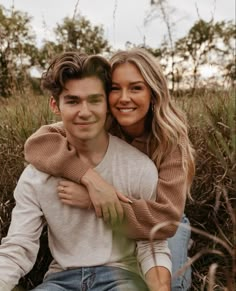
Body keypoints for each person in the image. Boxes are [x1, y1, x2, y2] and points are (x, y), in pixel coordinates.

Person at [24, 48, 195, 290]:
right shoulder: (100, 121)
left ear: (153, 93)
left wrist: (94, 201)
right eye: (116, 88)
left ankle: (183, 256)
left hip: (163, 219)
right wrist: (92, 180)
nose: (124, 98)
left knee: (169, 283)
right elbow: (38, 144)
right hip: (113, 231)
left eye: (136, 88)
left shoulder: (170, 140)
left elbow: (165, 221)